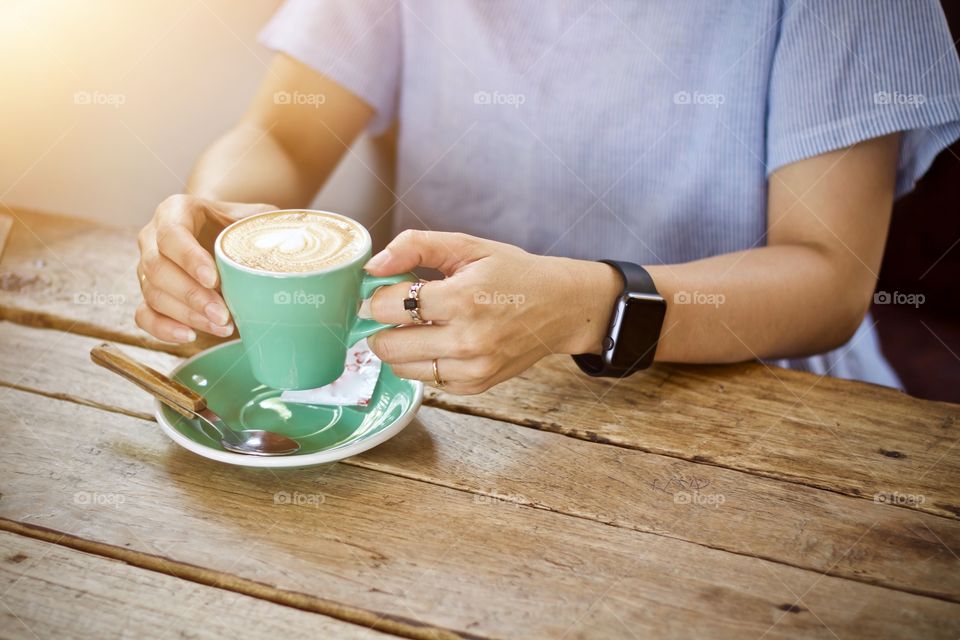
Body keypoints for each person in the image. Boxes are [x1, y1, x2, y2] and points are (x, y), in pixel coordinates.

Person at [135, 1, 960, 395]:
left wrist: (588, 306)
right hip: (444, 399)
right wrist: (213, 220)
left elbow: (826, 279)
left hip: (755, 401)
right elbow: (280, 137)